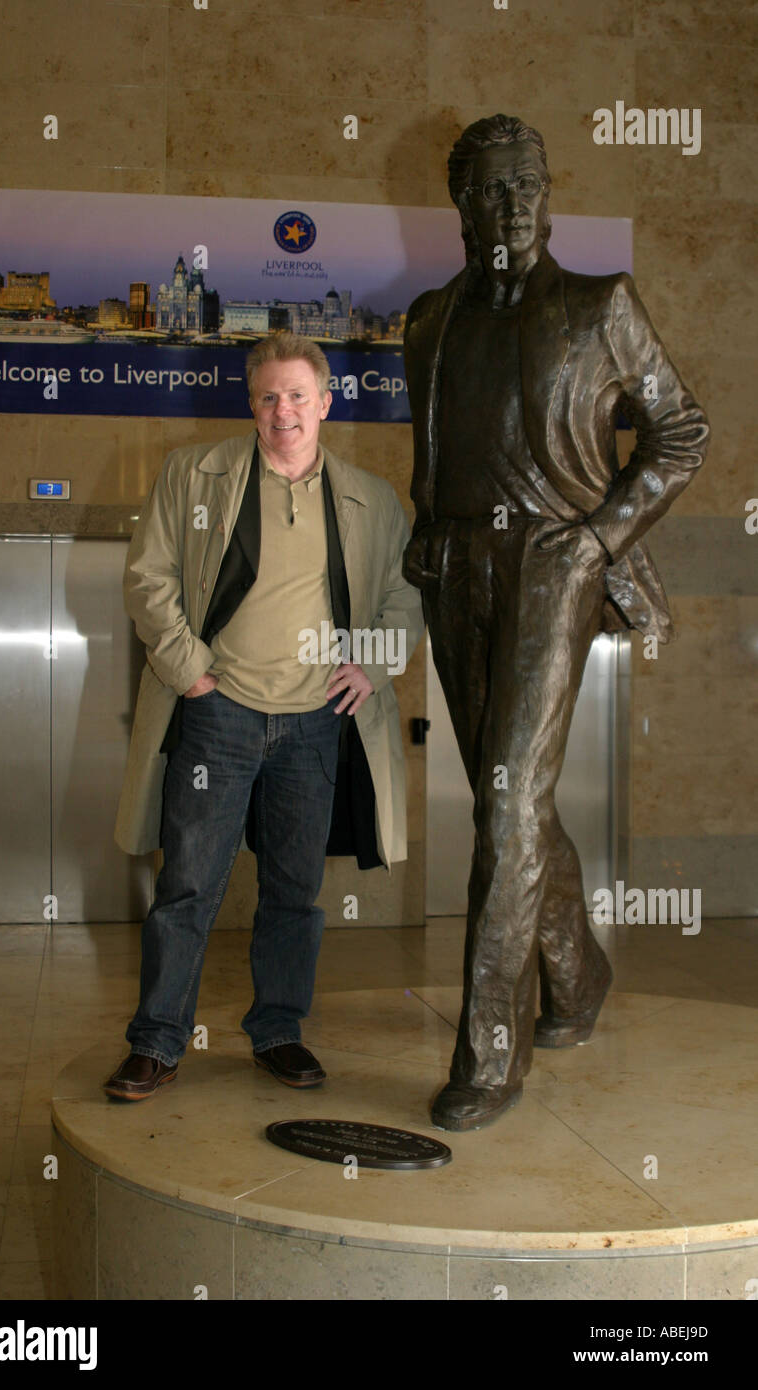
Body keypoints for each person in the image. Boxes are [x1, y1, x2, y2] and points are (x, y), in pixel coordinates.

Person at [403, 114, 709, 1131]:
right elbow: (436, 446)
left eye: (525, 183)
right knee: (515, 799)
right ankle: (576, 980)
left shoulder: (597, 305)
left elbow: (679, 428)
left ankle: (493, 1047)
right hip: (456, 566)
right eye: (490, 187)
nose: (510, 203)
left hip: (551, 562)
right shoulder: (429, 319)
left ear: (547, 190)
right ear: (458, 203)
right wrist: (424, 540)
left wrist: (599, 539)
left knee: (503, 806)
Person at [107, 332, 423, 1099]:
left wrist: (373, 663)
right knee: (188, 884)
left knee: (293, 890)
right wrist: (191, 675)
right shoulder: (195, 475)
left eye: (297, 395)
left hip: (315, 724)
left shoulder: (372, 500)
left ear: (326, 402)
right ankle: (157, 1040)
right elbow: (149, 580)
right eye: (268, 396)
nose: (284, 410)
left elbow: (405, 598)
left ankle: (278, 1031)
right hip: (220, 714)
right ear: (252, 404)